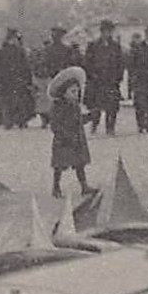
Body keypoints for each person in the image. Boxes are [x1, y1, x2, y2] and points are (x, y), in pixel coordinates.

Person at [47, 66, 91, 198]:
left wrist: (89, 117)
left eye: (77, 91)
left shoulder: (75, 105)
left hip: (77, 138)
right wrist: (63, 135)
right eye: (72, 91)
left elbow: (78, 120)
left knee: (79, 164)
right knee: (59, 165)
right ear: (63, 93)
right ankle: (56, 187)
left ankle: (84, 186)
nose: (76, 94)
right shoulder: (58, 106)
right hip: (63, 140)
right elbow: (55, 124)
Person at [84, 19, 125, 135]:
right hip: (97, 81)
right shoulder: (93, 46)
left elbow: (120, 63)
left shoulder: (116, 46)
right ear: (101, 32)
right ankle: (94, 125)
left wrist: (118, 77)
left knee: (112, 107)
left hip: (111, 81)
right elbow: (87, 63)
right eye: (105, 31)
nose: (107, 33)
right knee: (96, 106)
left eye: (109, 31)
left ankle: (110, 127)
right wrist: (92, 75)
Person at [0, 29, 34, 128]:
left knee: (9, 101)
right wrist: (28, 79)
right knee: (19, 101)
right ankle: (20, 120)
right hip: (18, 79)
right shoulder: (19, 51)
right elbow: (26, 66)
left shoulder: (2, 51)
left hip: (7, 80)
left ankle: (9, 120)